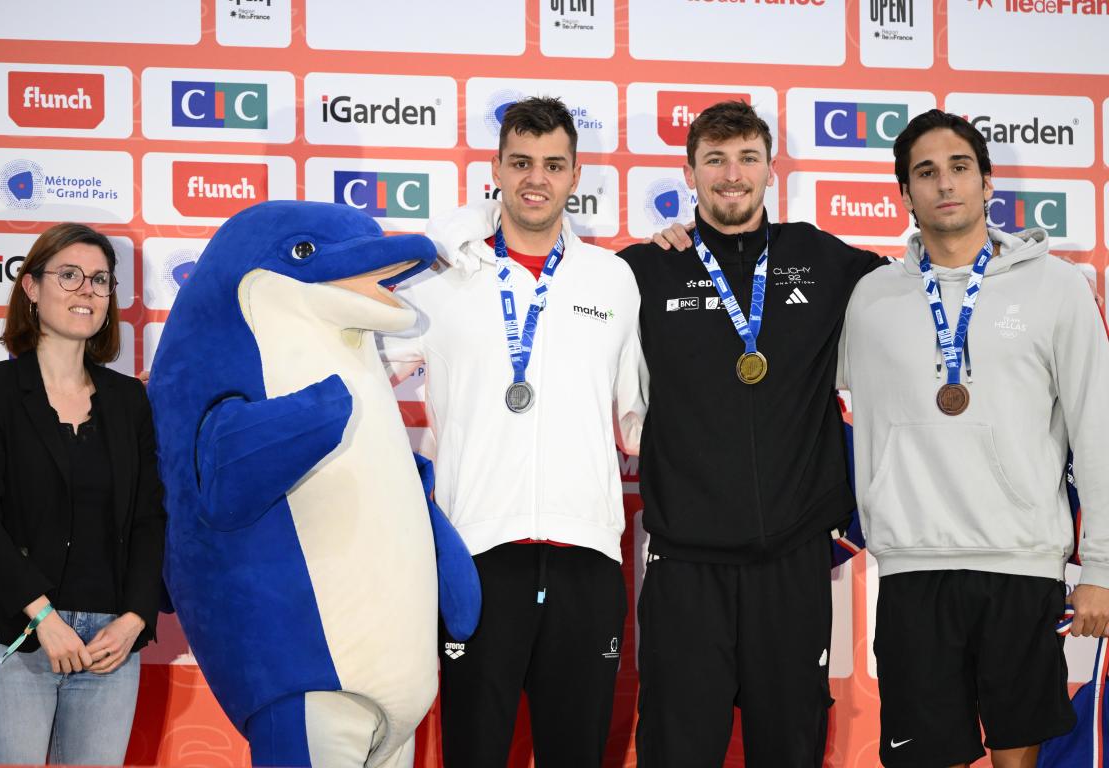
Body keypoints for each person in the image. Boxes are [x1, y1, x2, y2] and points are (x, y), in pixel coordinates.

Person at [378, 96, 644, 767]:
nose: (536, 178)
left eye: (554, 165)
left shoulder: (614, 280)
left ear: (575, 176)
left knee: (577, 754)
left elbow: (640, 421)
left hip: (587, 556)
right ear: (495, 168)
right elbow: (363, 370)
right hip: (476, 553)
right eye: (521, 162)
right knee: (473, 751)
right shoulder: (443, 278)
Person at [839, 109, 1109, 768]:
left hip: (1020, 566)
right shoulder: (870, 300)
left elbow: (1097, 426)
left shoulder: (1057, 288)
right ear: (905, 194)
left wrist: (1100, 566)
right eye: (925, 173)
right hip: (912, 568)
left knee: (1018, 757)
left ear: (988, 183)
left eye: (960, 167)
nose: (944, 184)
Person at [619, 100, 883, 766]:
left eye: (746, 159)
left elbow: (920, 289)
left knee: (790, 750)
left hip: (791, 569)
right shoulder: (643, 271)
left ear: (771, 170)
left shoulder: (820, 260)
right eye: (715, 160)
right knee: (676, 751)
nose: (731, 175)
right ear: (690, 172)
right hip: (685, 566)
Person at [0, 223, 166, 766]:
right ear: (31, 287)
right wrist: (41, 617)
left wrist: (137, 617)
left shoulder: (128, 402)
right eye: (68, 275)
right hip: (18, 637)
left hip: (109, 648)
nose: (87, 291)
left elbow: (149, 519)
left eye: (100, 280)